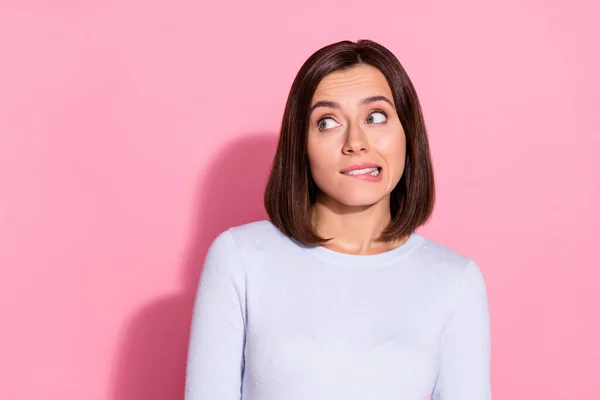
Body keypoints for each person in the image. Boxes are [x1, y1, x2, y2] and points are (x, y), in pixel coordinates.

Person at [184, 39, 491, 400]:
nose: (356, 142)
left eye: (375, 117)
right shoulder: (241, 258)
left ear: (408, 132)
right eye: (327, 122)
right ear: (302, 145)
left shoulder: (455, 281)